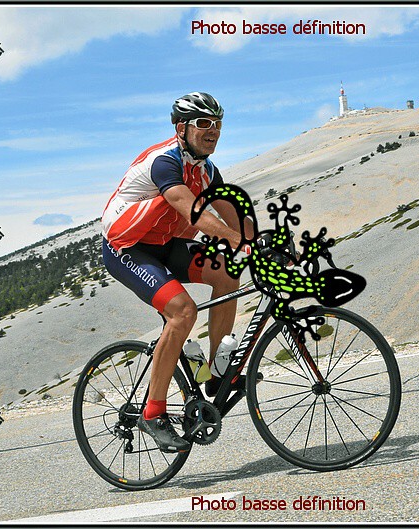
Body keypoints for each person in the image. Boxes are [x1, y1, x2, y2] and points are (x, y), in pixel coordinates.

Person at [101, 92, 254, 452]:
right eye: (203, 123)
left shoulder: (207, 170)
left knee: (227, 271)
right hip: (128, 247)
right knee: (183, 312)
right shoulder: (164, 162)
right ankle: (153, 413)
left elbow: (235, 217)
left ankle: (217, 374)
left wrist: (265, 244)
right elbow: (192, 212)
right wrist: (238, 241)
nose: (213, 131)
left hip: (165, 243)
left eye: (218, 124)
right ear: (181, 128)